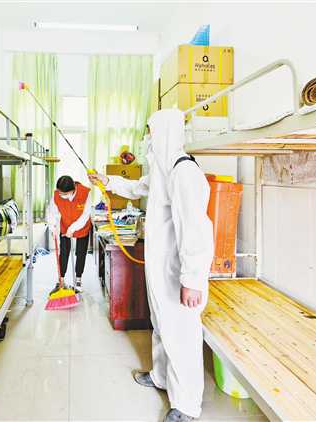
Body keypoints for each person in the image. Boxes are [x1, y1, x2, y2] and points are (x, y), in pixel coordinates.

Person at [89, 109, 214, 422]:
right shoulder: (162, 170)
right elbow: (137, 188)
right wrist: (107, 181)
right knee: (161, 326)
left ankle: (186, 406)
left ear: (165, 132)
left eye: (150, 131)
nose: (147, 137)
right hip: (160, 268)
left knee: (181, 335)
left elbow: (195, 229)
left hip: (177, 271)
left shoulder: (183, 171)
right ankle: (161, 377)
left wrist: (192, 279)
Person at [47, 175, 92, 292]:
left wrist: (73, 229)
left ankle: (78, 279)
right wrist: (52, 227)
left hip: (82, 226)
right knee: (64, 252)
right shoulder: (57, 195)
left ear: (73, 190)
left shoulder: (85, 193)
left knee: (81, 253)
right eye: (60, 193)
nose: (61, 195)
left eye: (64, 194)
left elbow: (85, 215)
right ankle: (61, 280)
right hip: (65, 225)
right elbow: (52, 212)